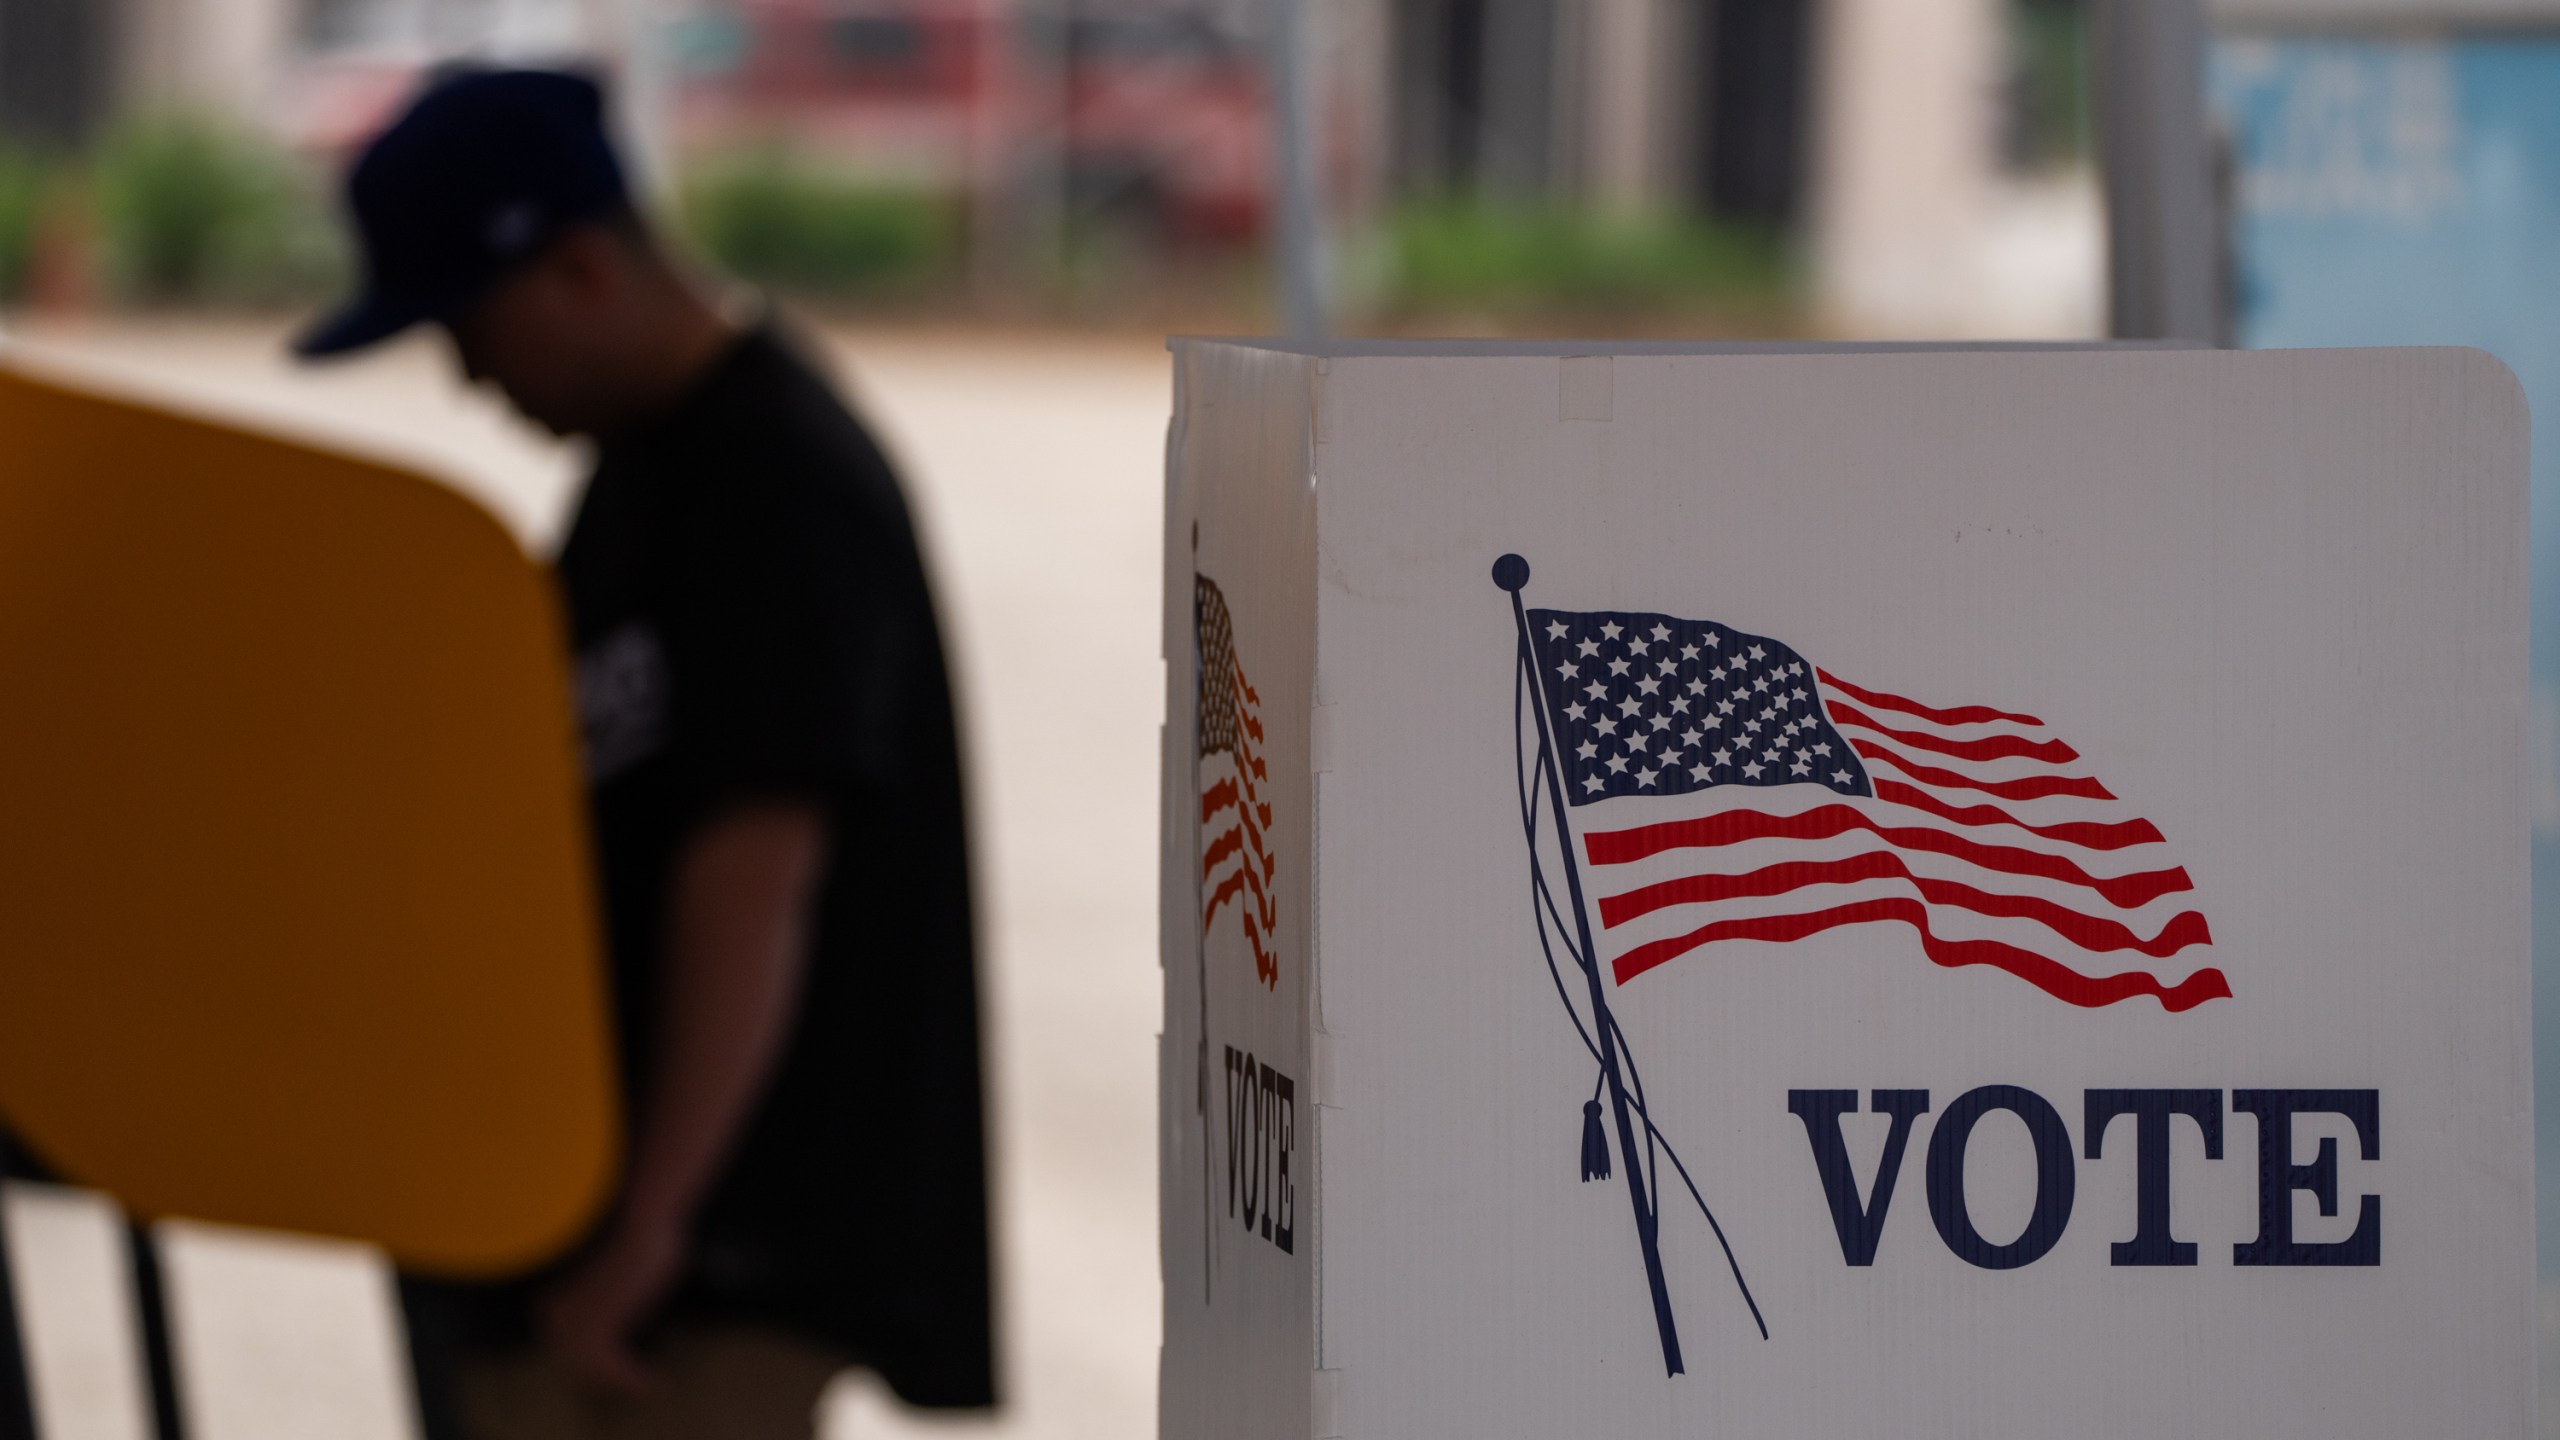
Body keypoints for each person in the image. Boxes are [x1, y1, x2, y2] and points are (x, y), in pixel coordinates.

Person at [294, 68, 994, 1440]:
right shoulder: (651, 472)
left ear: (575, 268)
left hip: (707, 1273)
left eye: (469, 329)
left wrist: (651, 1227)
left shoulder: (774, 481)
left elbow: (754, 874)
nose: (471, 380)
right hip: (627, 1249)